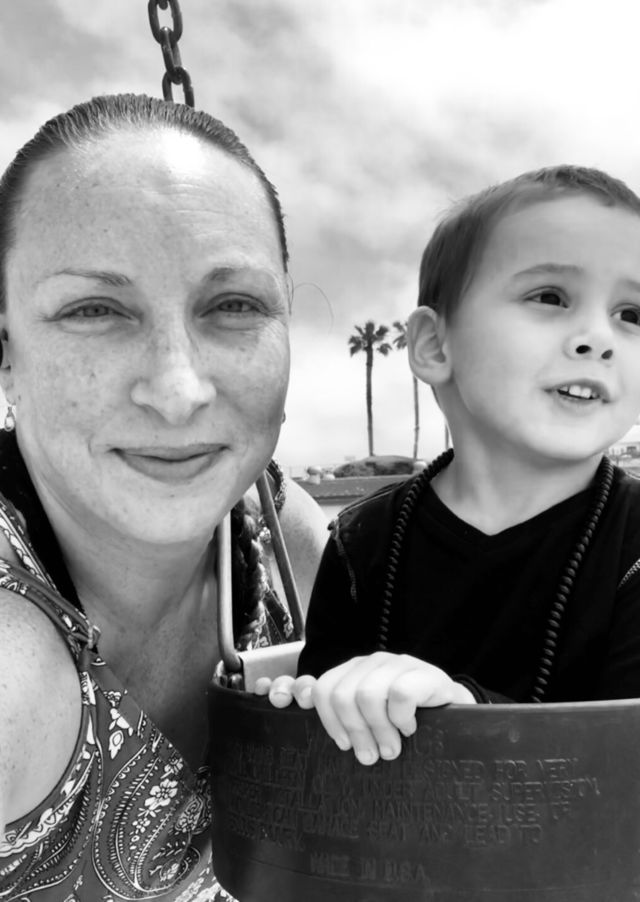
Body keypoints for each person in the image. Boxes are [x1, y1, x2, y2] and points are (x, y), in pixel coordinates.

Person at [0, 93, 327, 901]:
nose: (179, 391)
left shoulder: (278, 536)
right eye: (95, 310)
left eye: (234, 305)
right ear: (7, 353)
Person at [259, 165, 640, 769]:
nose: (599, 337)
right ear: (435, 345)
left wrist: (464, 715)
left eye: (632, 315)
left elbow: (623, 768)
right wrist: (306, 703)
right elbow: (324, 750)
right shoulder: (362, 544)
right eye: (550, 297)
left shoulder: (632, 545)